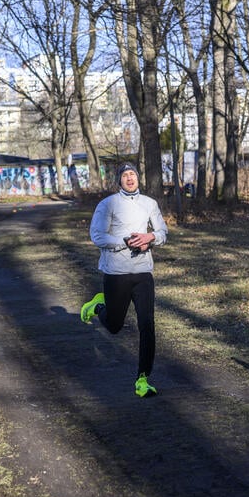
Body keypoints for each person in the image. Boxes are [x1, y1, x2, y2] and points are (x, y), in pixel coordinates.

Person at [80, 163, 168, 397]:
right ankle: (99, 306)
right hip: (116, 272)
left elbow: (163, 232)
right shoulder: (107, 204)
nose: (130, 178)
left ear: (138, 178)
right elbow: (97, 235)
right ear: (118, 181)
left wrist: (151, 237)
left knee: (147, 325)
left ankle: (143, 379)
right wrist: (125, 241)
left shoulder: (149, 203)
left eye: (133, 175)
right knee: (115, 326)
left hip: (143, 272)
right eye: (125, 175)